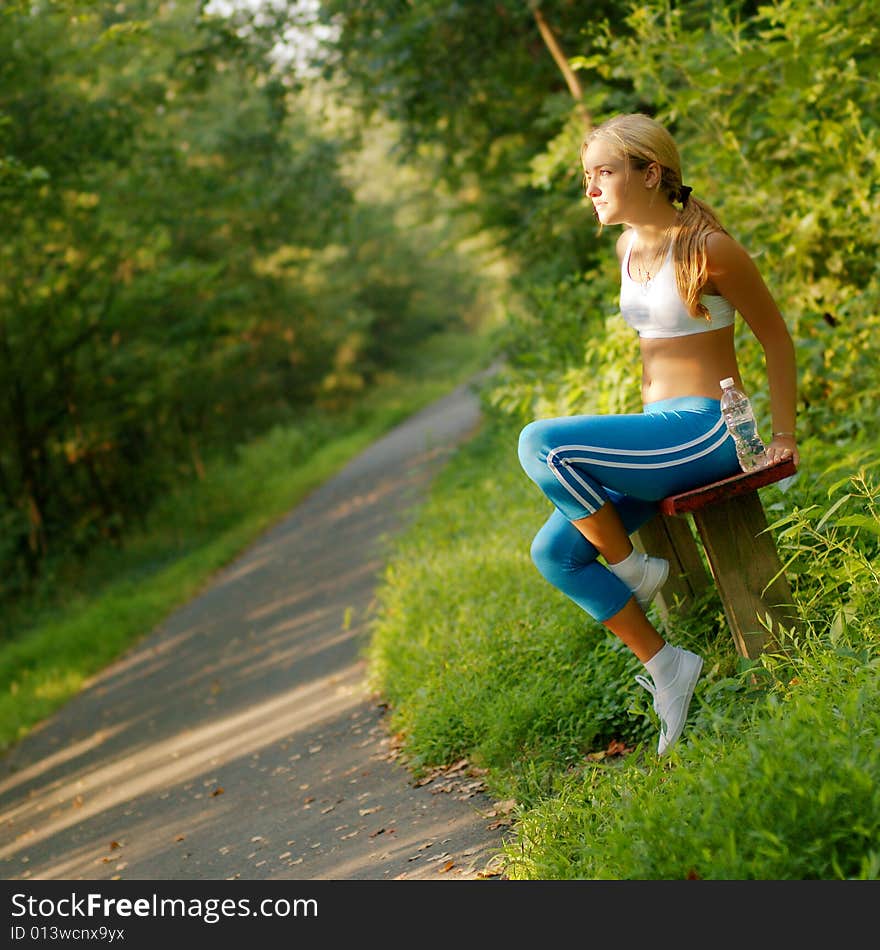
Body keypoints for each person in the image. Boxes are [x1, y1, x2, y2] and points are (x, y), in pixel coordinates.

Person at [517, 113, 799, 756]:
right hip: (661, 432)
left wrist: (783, 433)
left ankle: (632, 568)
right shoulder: (627, 249)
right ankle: (666, 666)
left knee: (542, 442)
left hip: (710, 430)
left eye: (603, 174)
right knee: (554, 554)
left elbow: (775, 338)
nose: (590, 189)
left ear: (650, 173)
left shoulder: (709, 248)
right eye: (587, 177)